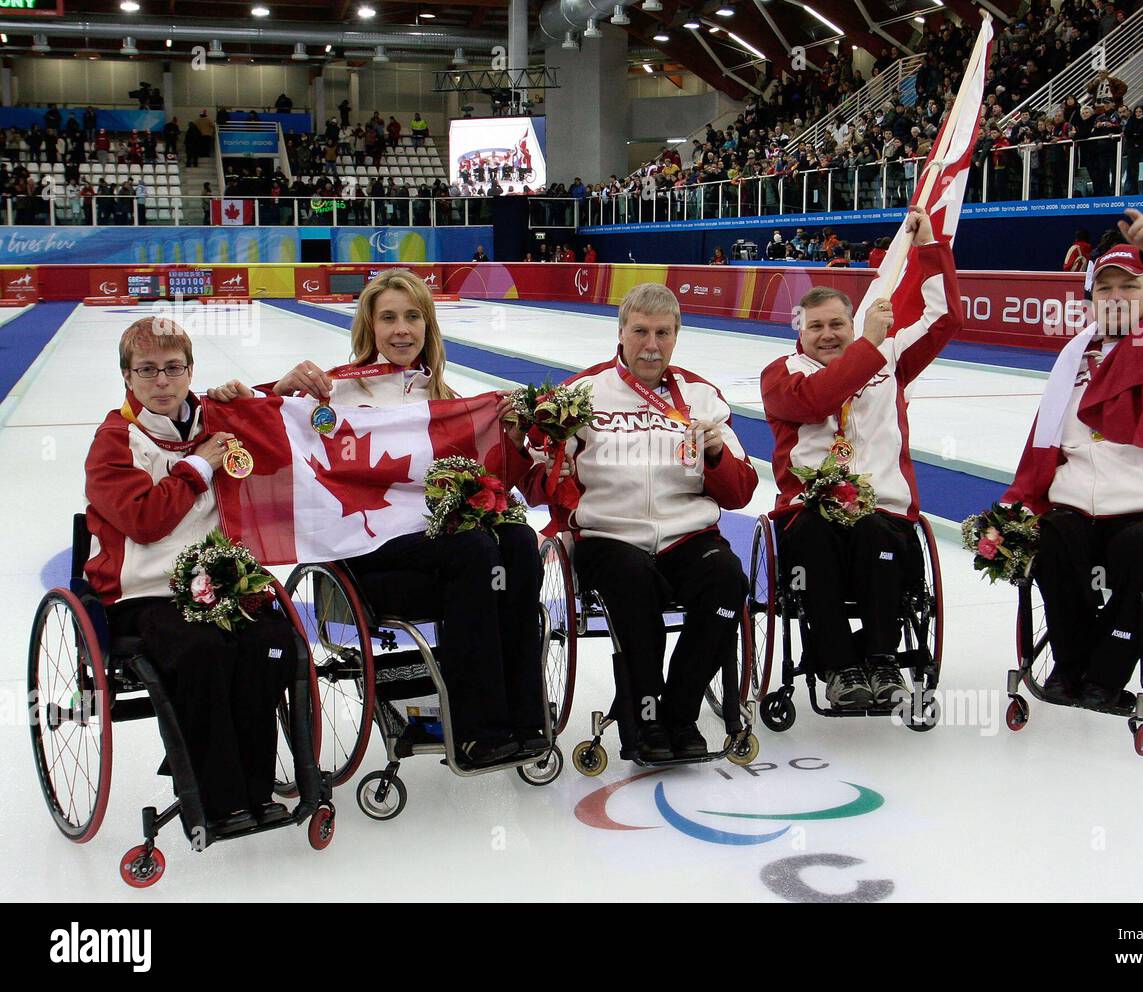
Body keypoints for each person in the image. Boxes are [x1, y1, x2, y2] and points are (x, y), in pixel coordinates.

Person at [229, 270, 545, 766]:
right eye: (389, 318)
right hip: (367, 551)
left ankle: (525, 716)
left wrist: (511, 431)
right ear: (370, 327)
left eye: (413, 316)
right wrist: (276, 389)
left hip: (436, 546)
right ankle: (475, 727)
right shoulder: (332, 393)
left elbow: (490, 478)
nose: (402, 329)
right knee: (477, 550)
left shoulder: (444, 399)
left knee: (520, 540)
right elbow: (256, 435)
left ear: (428, 325)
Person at [523, 283, 757, 760]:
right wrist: (549, 461)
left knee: (727, 582)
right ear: (621, 333)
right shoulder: (580, 394)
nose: (652, 345)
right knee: (632, 587)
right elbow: (533, 481)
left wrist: (715, 455)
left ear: (677, 335)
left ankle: (681, 713)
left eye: (663, 333)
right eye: (641, 332)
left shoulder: (701, 396)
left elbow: (741, 491)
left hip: (688, 534)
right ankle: (645, 723)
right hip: (609, 535)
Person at [85, 319, 301, 834]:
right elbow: (144, 520)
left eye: (173, 369)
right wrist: (199, 468)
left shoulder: (210, 419)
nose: (162, 382)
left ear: (189, 373)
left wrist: (275, 388)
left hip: (218, 585)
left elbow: (258, 417)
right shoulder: (114, 441)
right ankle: (219, 800)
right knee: (203, 650)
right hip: (146, 595)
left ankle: (256, 789)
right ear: (127, 378)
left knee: (272, 643)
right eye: (147, 371)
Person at [1004, 210, 1143, 713]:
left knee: (1138, 551)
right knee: (1052, 543)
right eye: (1105, 288)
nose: (1116, 296)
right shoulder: (1075, 355)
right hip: (1079, 497)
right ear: (1090, 297)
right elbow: (1049, 436)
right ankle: (1072, 663)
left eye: (1131, 286)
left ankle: (1105, 674)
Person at [760, 207, 961, 708]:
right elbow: (815, 401)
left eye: (838, 324)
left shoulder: (888, 359)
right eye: (816, 327)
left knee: (876, 532)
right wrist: (868, 344)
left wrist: (930, 247)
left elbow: (944, 319)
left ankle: (880, 659)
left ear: (852, 323)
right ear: (798, 333)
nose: (828, 334)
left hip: (882, 510)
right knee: (814, 533)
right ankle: (839, 666)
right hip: (809, 512)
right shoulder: (781, 373)